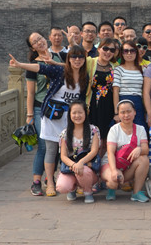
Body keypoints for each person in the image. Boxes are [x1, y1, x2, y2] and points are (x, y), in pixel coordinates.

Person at [9, 45, 88, 197]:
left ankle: (73, 181)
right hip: (53, 116)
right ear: (69, 59)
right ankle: (50, 183)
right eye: (73, 57)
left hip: (72, 118)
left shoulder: (85, 75)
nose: (77, 60)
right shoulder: (60, 71)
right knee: (51, 150)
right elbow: (40, 68)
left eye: (80, 57)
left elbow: (82, 98)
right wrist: (19, 64)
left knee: (71, 150)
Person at [23, 31, 58, 196]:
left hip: (58, 108)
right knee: (44, 145)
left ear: (46, 39)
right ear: (33, 48)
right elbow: (31, 93)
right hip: (41, 108)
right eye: (35, 42)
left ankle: (49, 178)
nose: (39, 42)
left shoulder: (58, 57)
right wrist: (29, 115)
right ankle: (36, 181)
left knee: (57, 145)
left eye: (40, 38)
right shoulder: (32, 66)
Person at [102, 100, 151, 202]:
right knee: (113, 182)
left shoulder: (140, 129)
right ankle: (111, 188)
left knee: (144, 159)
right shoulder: (114, 129)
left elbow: (146, 149)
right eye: (122, 112)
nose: (126, 115)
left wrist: (139, 149)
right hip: (111, 164)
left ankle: (136, 193)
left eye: (129, 111)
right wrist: (114, 170)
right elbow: (110, 153)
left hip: (127, 166)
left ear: (134, 112)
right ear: (118, 115)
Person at [57, 101, 100, 204]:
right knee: (62, 187)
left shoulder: (94, 130)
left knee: (83, 171)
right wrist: (73, 165)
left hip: (87, 168)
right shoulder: (65, 133)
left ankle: (88, 191)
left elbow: (94, 151)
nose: (77, 116)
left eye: (80, 112)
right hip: (71, 168)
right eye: (74, 113)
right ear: (70, 114)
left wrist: (81, 163)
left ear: (86, 112)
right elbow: (63, 156)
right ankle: (72, 188)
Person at [86, 38, 118, 154]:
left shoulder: (115, 66)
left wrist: (116, 112)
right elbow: (72, 64)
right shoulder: (90, 62)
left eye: (112, 50)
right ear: (99, 49)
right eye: (105, 48)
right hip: (93, 104)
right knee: (93, 137)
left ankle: (103, 162)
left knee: (106, 138)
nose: (108, 52)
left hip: (108, 105)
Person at [112, 40, 146, 127]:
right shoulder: (118, 70)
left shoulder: (142, 69)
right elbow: (115, 91)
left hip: (138, 103)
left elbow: (145, 91)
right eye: (126, 51)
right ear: (122, 53)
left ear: (136, 52)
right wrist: (116, 112)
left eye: (132, 51)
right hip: (123, 102)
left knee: (139, 129)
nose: (129, 53)